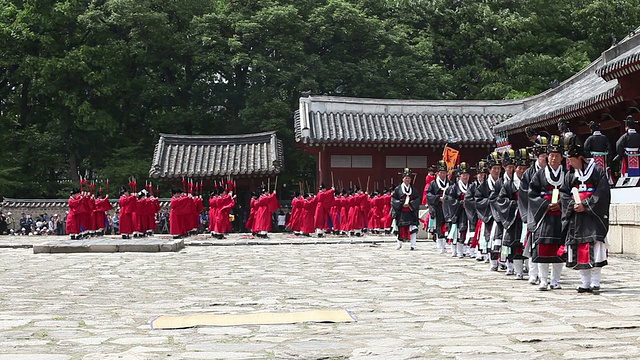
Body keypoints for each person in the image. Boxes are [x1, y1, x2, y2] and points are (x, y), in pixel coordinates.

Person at [562, 134, 610, 293]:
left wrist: (586, 205)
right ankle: (584, 281)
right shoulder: (570, 175)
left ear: (581, 158)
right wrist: (572, 204)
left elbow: (602, 193)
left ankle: (596, 281)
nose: (570, 163)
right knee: (580, 247)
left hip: (593, 216)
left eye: (572, 159)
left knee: (596, 247)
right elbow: (563, 194)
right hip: (577, 217)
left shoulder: (597, 171)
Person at [528, 135, 566, 291]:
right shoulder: (540, 174)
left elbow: (572, 192)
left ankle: (555, 280)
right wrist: (545, 204)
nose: (553, 159)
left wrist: (561, 204)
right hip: (544, 215)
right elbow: (531, 193)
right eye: (551, 156)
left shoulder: (567, 174)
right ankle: (543, 279)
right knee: (543, 248)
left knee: (559, 249)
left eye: (556, 156)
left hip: (561, 216)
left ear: (562, 158)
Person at [521, 135, 548, 285]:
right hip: (534, 211)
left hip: (549, 212)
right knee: (532, 244)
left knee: (546, 244)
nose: (545, 159)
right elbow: (525, 195)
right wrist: (527, 214)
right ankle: (533, 273)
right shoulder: (529, 174)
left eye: (546, 156)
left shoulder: (552, 172)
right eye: (543, 156)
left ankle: (545, 274)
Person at [443, 162, 471, 257]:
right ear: (459, 176)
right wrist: (460, 203)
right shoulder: (453, 188)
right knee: (456, 231)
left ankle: (463, 250)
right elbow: (450, 200)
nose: (465, 177)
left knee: (464, 230)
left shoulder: (471, 187)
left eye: (467, 175)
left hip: (467, 212)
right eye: (464, 175)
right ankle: (455, 250)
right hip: (456, 212)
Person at [391, 168, 421, 250]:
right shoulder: (398, 189)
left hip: (411, 211)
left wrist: (410, 204)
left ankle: (413, 245)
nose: (407, 179)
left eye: (409, 178)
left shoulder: (413, 189)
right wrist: (401, 204)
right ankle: (399, 244)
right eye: (406, 178)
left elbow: (417, 198)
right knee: (400, 228)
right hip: (401, 212)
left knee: (413, 228)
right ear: (403, 179)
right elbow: (393, 200)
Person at [427, 160, 451, 253]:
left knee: (447, 225)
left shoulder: (450, 183)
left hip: (448, 207)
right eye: (441, 172)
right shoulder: (433, 184)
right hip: (438, 207)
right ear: (438, 173)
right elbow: (429, 195)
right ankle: (441, 245)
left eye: (444, 172)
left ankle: (445, 243)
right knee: (439, 226)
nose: (443, 174)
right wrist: (438, 198)